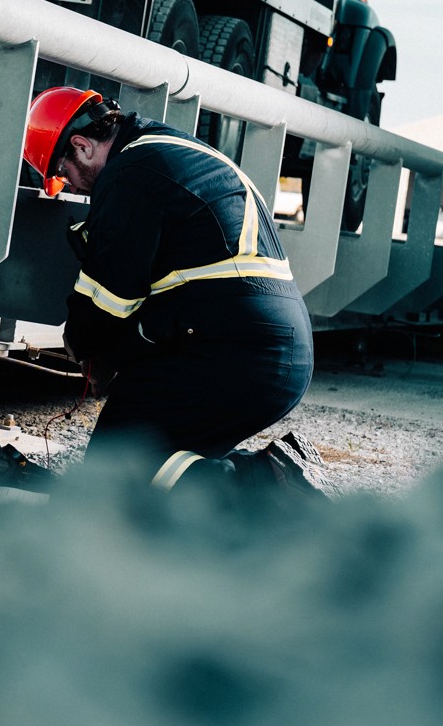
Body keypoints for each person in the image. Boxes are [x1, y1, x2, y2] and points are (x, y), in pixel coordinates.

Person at [23, 86, 319, 496]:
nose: (69, 187)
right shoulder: (165, 148)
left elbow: (108, 301)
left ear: (81, 146)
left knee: (114, 466)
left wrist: (79, 344)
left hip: (237, 352)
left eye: (62, 173)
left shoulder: (131, 174)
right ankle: (264, 483)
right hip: (273, 352)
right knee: (163, 467)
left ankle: (264, 485)